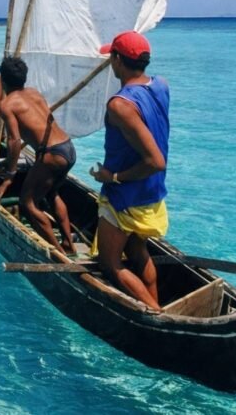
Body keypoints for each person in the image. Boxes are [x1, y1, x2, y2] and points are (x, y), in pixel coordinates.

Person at [89, 30, 169, 311]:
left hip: (126, 197)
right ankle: (156, 306)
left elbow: (155, 161)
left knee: (109, 264)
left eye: (112, 56)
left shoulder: (120, 105)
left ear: (118, 60)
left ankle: (157, 317)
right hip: (152, 194)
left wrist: (113, 177)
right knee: (137, 251)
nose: (110, 61)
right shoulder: (160, 85)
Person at [0, 57, 76, 256]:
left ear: (2, 80)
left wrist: (8, 177)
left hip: (52, 155)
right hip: (68, 148)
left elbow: (14, 141)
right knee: (52, 192)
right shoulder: (35, 93)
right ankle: (68, 244)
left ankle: (57, 255)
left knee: (27, 204)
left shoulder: (6, 105)